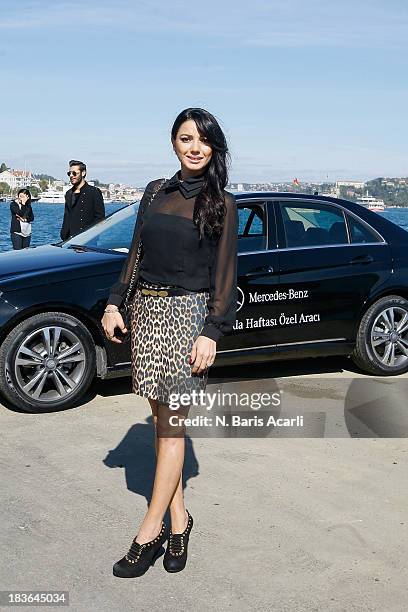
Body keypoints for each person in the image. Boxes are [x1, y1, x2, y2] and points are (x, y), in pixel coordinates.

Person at [101, 107, 238, 578]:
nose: (194, 147)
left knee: (172, 426)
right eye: (185, 138)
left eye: (203, 140)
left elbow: (225, 275)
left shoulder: (221, 202)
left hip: (187, 318)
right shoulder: (155, 192)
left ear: (214, 147)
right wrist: (116, 302)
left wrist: (212, 331)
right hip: (148, 313)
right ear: (173, 143)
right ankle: (180, 521)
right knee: (162, 424)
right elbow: (135, 252)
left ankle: (148, 532)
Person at [60, 159, 105, 240]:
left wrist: (90, 236)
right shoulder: (68, 193)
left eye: (74, 173)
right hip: (69, 240)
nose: (71, 175)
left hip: (88, 241)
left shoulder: (94, 192)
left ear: (83, 173)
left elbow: (100, 218)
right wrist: (63, 235)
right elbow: (67, 216)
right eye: (69, 173)